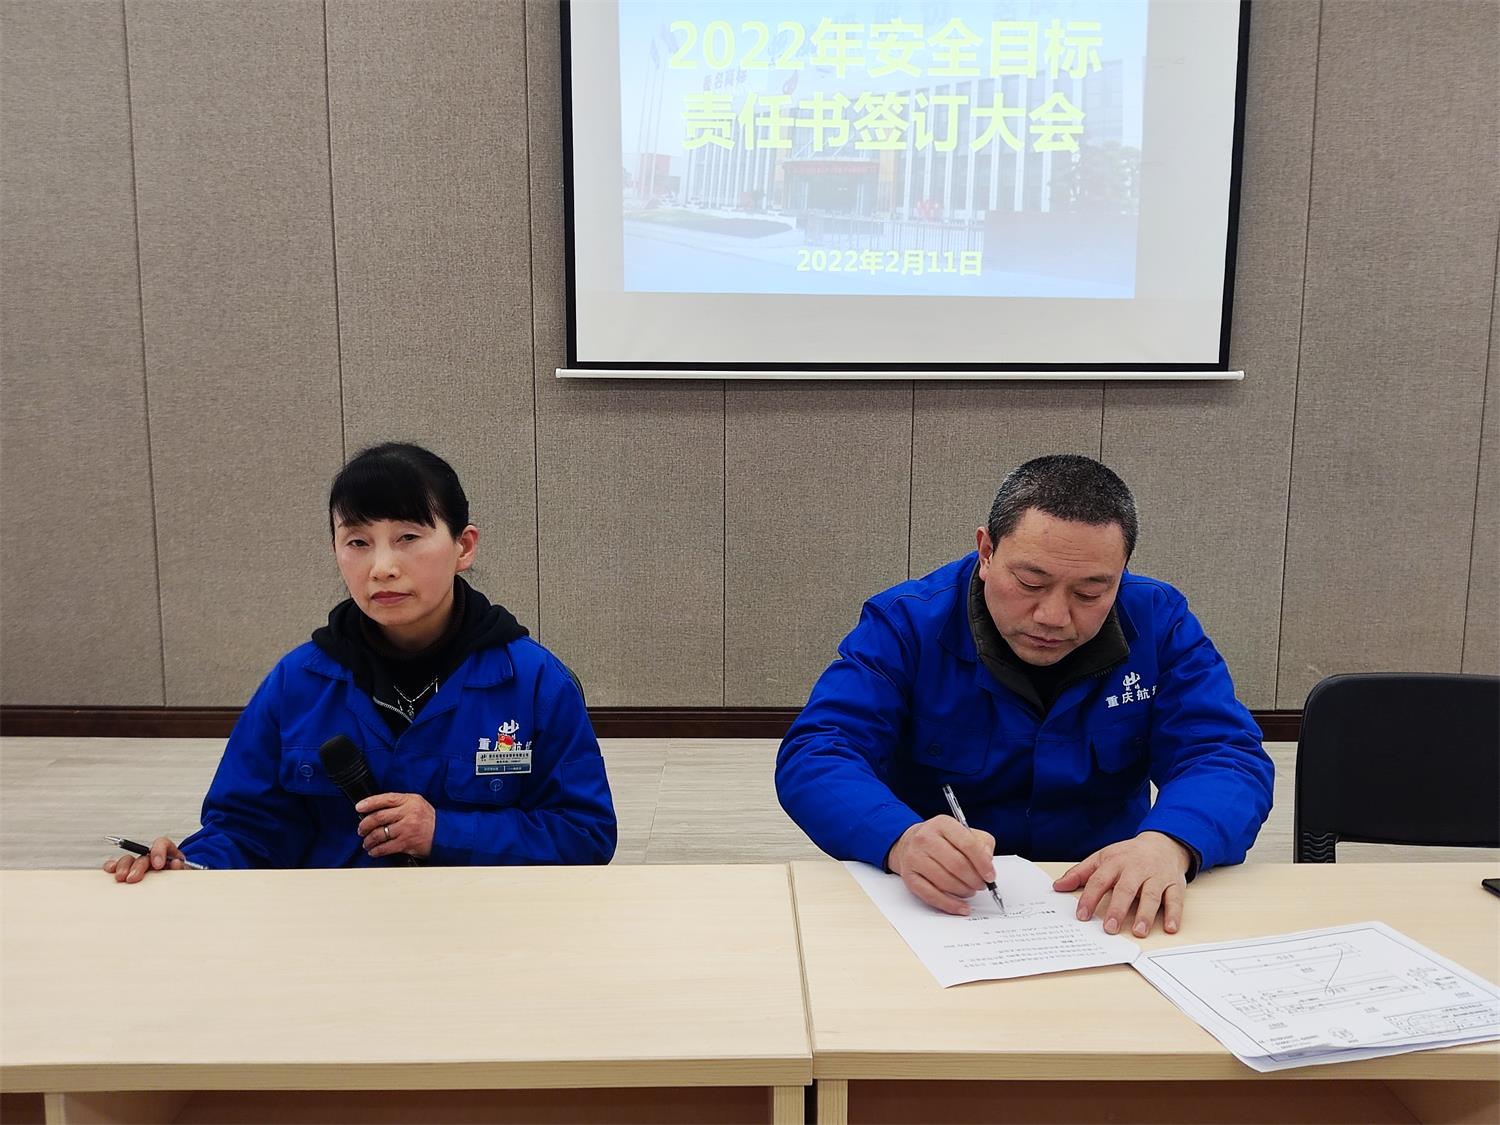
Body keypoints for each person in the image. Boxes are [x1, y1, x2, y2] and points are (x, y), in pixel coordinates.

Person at [775, 454, 1272, 937]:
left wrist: (1170, 843)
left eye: (1090, 593)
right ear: (986, 552)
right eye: (1031, 582)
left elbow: (1225, 755)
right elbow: (818, 752)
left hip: (1103, 904)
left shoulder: (1159, 622)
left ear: (1121, 573)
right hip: (942, 908)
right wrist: (898, 838)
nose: (1053, 617)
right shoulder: (908, 623)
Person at [105, 443, 616, 880]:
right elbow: (246, 831)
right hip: (332, 936)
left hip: (487, 928)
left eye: (408, 538)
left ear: (463, 547)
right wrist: (189, 866)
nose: (382, 567)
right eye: (357, 542)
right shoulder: (297, 683)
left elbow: (585, 834)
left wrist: (444, 831)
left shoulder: (533, 682)